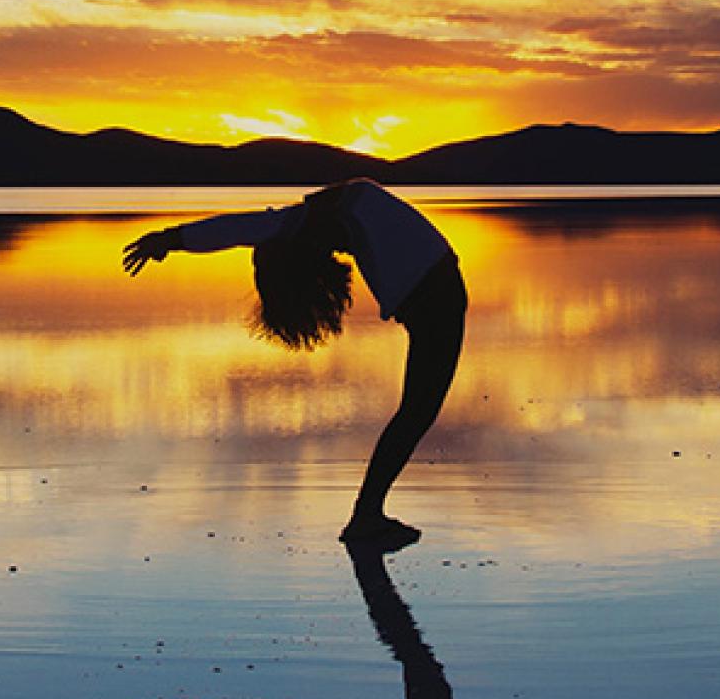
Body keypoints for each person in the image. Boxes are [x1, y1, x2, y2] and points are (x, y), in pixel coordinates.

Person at [122, 178, 467, 548]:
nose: (333, 250)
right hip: (433, 303)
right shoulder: (332, 212)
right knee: (415, 414)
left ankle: (367, 514)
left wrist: (172, 239)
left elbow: (241, 228)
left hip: (432, 300)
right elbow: (241, 229)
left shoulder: (321, 214)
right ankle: (366, 516)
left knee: (415, 414)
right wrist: (172, 239)